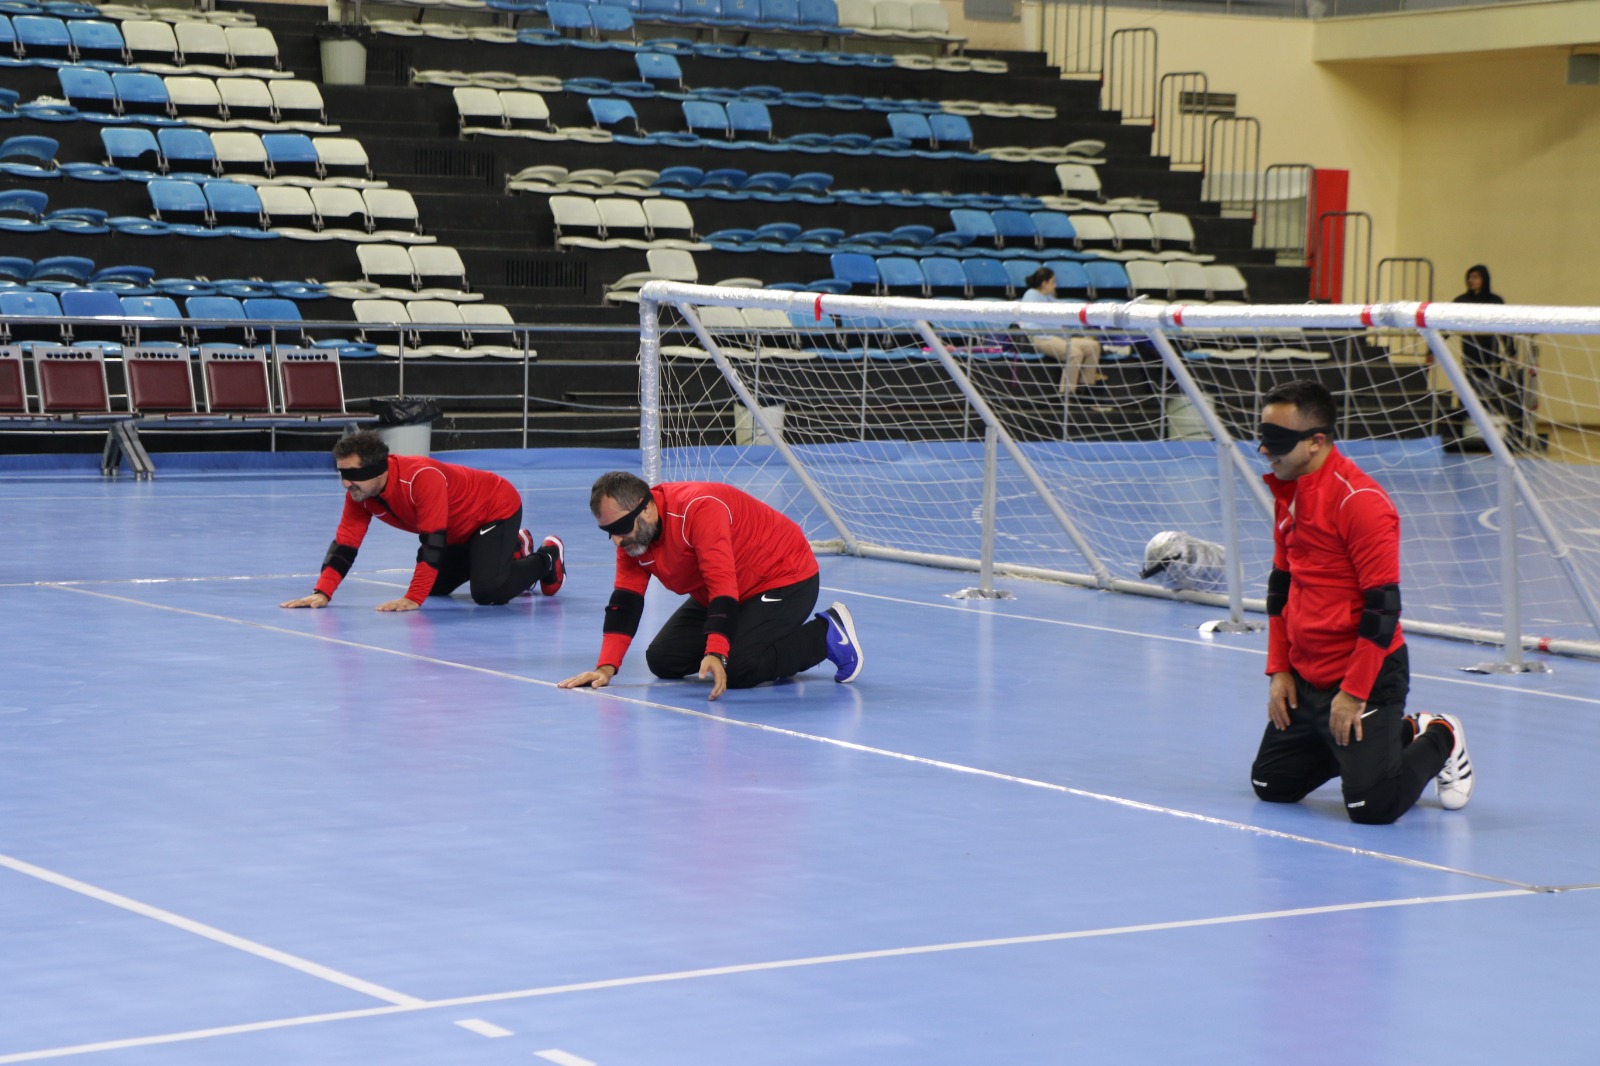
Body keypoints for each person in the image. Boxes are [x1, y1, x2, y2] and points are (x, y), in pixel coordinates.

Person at [1249, 380, 1474, 823]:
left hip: (1365, 676)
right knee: (1271, 785)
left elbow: (1382, 610)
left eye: (1276, 441)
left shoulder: (1362, 503)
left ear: (1316, 442)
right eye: (1262, 436)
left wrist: (1353, 694)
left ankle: (1438, 734)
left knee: (1372, 807)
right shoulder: (1287, 491)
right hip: (1306, 672)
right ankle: (1391, 739)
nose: (1262, 450)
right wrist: (1279, 669)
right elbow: (1281, 587)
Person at [557, 471, 862, 700]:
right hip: (729, 592)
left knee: (737, 668)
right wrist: (605, 668)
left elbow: (722, 583)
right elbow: (626, 600)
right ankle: (766, 640)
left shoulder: (699, 509)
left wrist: (717, 652)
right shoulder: (634, 541)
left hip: (784, 578)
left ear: (646, 507)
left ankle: (826, 635)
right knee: (663, 660)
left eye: (621, 528)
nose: (616, 540)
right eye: (607, 531)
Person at [280, 429, 564, 612]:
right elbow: (345, 544)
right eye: (341, 474)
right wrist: (322, 592)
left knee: (488, 592)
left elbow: (433, 541)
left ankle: (547, 558)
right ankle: (513, 547)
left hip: (494, 508)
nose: (345, 484)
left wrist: (413, 598)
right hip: (457, 529)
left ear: (378, 470)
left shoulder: (420, 477)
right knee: (437, 587)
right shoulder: (360, 493)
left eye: (351, 475)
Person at [1018, 266, 1106, 400]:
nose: (1055, 285)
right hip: (1040, 338)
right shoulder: (1031, 295)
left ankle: (1085, 390)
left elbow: (1063, 306)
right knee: (1074, 353)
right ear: (1044, 283)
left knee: (1093, 346)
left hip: (1057, 337)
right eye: (1053, 282)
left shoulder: (1047, 297)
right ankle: (1066, 395)